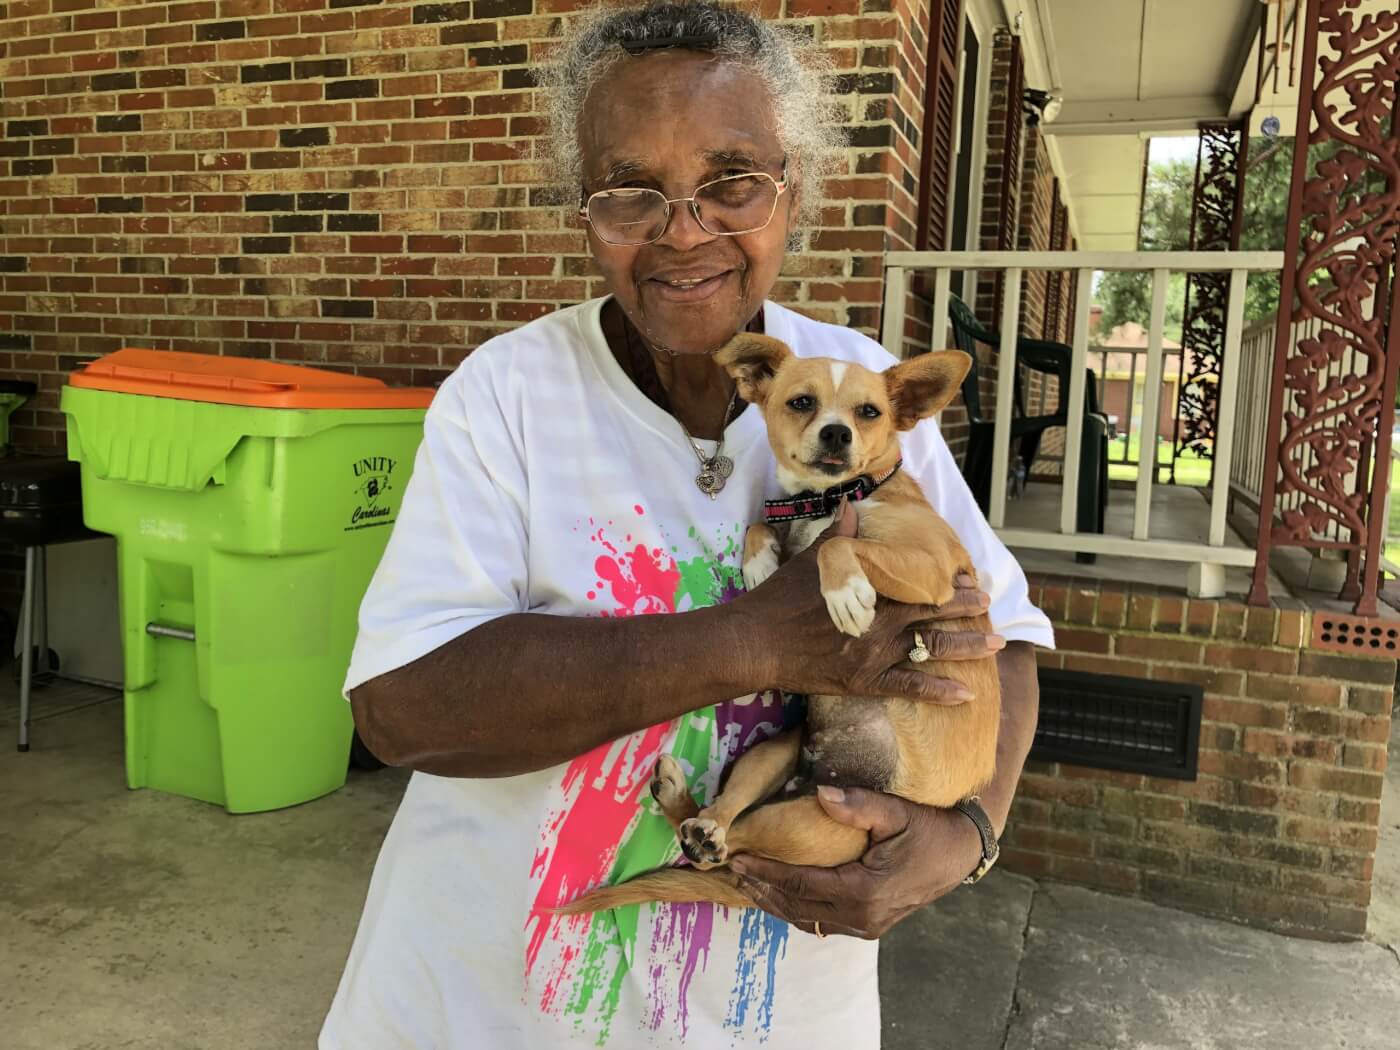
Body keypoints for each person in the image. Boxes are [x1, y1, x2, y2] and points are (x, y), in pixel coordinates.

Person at [320, 3, 1053, 1047]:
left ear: (789, 190)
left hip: (776, 1013)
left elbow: (1010, 635)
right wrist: (747, 639)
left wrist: (969, 829)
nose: (683, 230)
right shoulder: (507, 395)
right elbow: (399, 710)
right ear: (582, 207)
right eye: (630, 192)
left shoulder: (851, 387)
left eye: (730, 182)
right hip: (488, 1008)